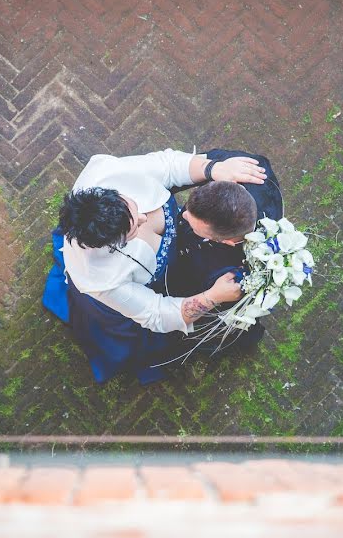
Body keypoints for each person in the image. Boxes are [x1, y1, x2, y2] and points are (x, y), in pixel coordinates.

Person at [42, 148, 266, 384]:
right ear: (112, 245)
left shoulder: (105, 173)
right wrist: (212, 297)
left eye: (132, 207)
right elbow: (156, 313)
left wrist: (214, 168)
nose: (142, 218)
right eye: (133, 230)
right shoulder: (102, 277)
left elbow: (166, 166)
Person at [159, 149, 283, 355]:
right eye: (189, 207)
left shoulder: (225, 272)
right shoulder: (248, 168)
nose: (184, 215)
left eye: (193, 223)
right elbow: (182, 168)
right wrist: (211, 169)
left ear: (226, 241)